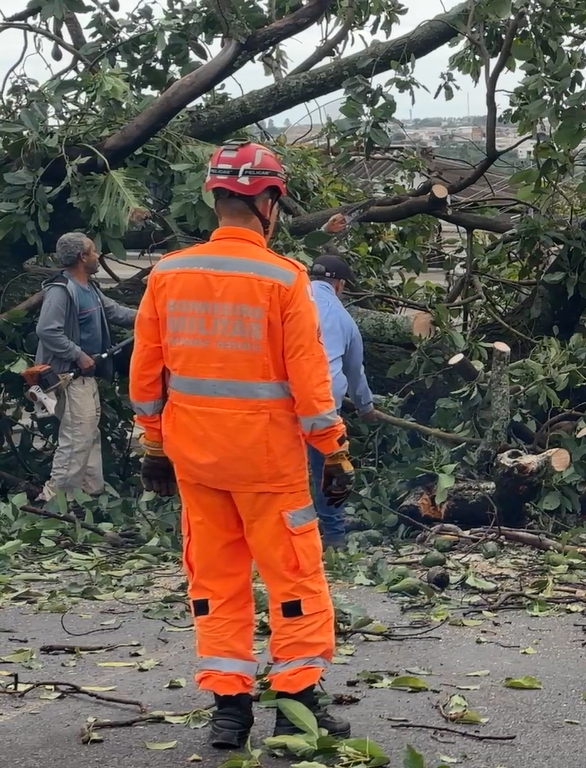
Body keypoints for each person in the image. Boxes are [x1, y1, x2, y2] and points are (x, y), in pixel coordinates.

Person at [128, 142, 356, 749]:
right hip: (269, 464)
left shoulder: (168, 273)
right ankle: (295, 705)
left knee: (215, 582)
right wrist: (333, 451)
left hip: (196, 461)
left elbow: (146, 374)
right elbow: (311, 384)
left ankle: (229, 710)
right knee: (294, 580)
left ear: (217, 197)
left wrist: (153, 445)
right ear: (269, 201)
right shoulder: (286, 279)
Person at [34, 232, 138, 502]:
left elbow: (114, 312)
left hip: (86, 377)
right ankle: (54, 501)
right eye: (93, 251)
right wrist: (78, 354)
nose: (97, 256)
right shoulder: (61, 290)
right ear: (82, 257)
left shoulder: (89, 288)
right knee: (77, 436)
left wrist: (151, 316)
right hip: (67, 376)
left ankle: (92, 495)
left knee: (90, 433)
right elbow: (47, 330)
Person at [307, 253, 378, 550]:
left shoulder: (290, 302)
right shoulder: (343, 318)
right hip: (324, 403)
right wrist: (365, 406)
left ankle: (281, 533)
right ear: (339, 285)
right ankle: (334, 534)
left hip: (281, 399)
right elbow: (353, 369)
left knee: (287, 469)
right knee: (330, 466)